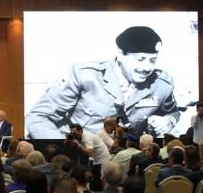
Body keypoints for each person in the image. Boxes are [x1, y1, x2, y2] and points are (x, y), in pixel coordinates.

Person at [26, 26, 180, 138]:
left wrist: (168, 121)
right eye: (140, 59)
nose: (147, 67)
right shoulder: (84, 75)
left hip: (124, 158)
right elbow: (38, 117)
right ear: (120, 54)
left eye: (152, 60)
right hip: (81, 154)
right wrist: (65, 149)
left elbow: (173, 112)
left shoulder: (162, 84)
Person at [66, 123, 111, 191]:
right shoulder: (76, 137)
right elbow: (65, 145)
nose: (73, 135)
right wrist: (67, 139)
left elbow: (90, 153)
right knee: (91, 178)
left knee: (97, 180)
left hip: (101, 158)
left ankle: (98, 192)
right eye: (72, 133)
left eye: (75, 133)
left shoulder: (87, 137)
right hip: (93, 158)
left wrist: (78, 146)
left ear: (81, 130)